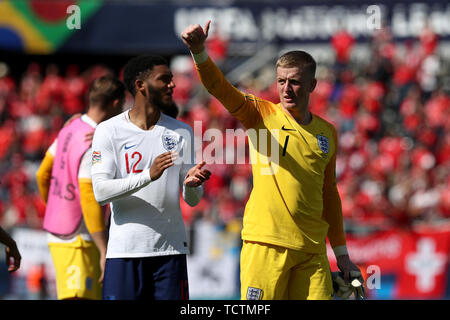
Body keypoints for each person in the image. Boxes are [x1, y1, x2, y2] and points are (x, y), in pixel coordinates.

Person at [181, 21, 363, 300]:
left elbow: (330, 194)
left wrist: (343, 256)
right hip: (267, 243)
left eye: (295, 81)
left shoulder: (327, 133)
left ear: (312, 84)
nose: (286, 89)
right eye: (281, 81)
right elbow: (219, 88)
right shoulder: (261, 115)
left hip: (312, 251)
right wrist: (199, 52)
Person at [91, 55, 211, 300]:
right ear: (140, 85)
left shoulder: (181, 131)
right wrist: (148, 175)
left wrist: (191, 186)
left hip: (170, 252)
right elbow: (101, 193)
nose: (172, 85)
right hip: (125, 253)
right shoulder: (108, 131)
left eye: (172, 79)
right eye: (164, 79)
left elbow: (192, 200)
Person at [36, 76, 126, 300]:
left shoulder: (69, 128)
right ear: (115, 103)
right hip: (81, 239)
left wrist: (56, 208)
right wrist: (104, 248)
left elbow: (42, 174)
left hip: (62, 234)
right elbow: (88, 196)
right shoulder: (92, 141)